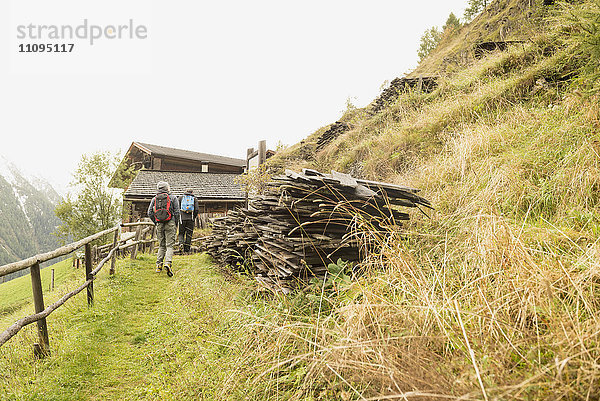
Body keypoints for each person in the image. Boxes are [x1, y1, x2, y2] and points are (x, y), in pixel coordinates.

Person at [147, 181, 180, 277]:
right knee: (169, 245)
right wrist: (175, 222)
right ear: (167, 188)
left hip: (159, 224)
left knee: (161, 245)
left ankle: (158, 266)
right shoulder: (173, 197)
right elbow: (177, 212)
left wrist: (156, 222)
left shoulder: (154, 199)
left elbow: (149, 212)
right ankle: (168, 263)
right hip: (170, 223)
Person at [178, 188, 199, 253]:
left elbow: (177, 208)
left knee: (181, 233)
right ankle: (187, 250)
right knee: (189, 234)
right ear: (192, 192)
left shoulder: (180, 198)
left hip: (182, 219)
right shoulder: (194, 199)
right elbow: (196, 210)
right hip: (190, 218)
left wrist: (179, 216)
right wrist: (194, 217)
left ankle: (181, 243)